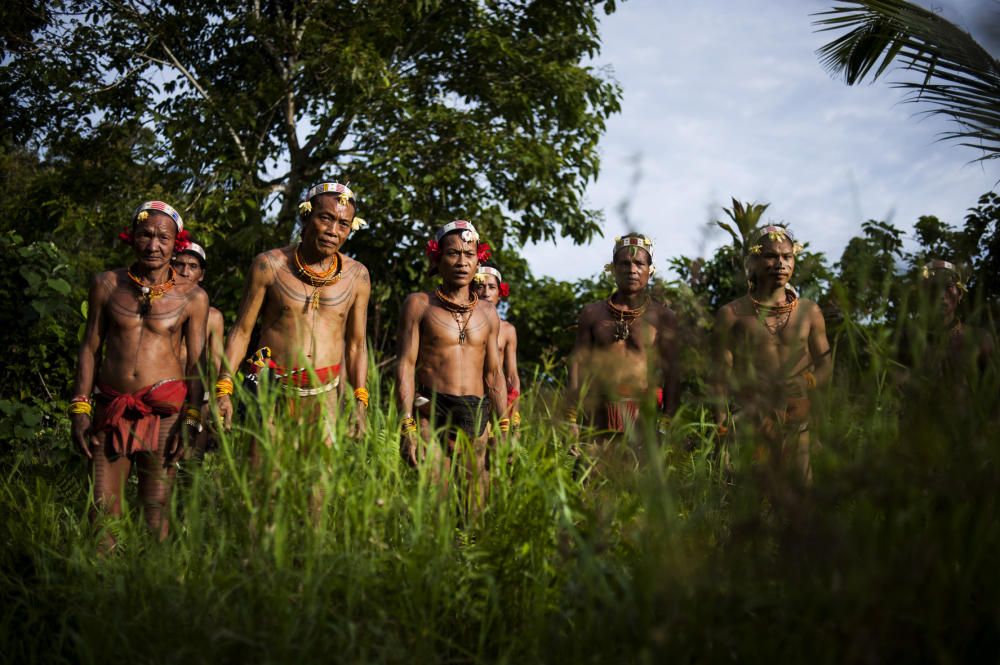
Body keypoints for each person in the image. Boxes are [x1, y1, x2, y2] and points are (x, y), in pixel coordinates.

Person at [69, 200, 209, 544]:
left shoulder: (193, 298)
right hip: (112, 407)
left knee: (157, 508)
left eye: (163, 237)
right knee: (102, 507)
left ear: (176, 243)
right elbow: (90, 347)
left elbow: (196, 364)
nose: (153, 245)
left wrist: (192, 420)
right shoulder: (106, 285)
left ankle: (155, 588)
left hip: (165, 414)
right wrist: (80, 408)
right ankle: (101, 587)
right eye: (145, 235)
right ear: (131, 237)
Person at [215, 182, 371, 450]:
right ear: (306, 216)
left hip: (326, 397)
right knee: (262, 483)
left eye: (343, 224)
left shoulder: (358, 276)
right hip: (269, 391)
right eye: (326, 218)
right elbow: (242, 331)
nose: (334, 231)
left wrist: (360, 401)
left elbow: (356, 344)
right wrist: (223, 389)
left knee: (319, 489)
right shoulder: (269, 266)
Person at [396, 220, 507, 514]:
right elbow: (406, 365)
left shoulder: (488, 313)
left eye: (469, 255)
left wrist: (503, 426)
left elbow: (494, 374)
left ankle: (470, 555)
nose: (462, 262)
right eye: (453, 253)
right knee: (434, 499)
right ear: (437, 258)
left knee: (474, 504)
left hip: (476, 410)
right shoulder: (419, 305)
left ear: (478, 260)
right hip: (430, 409)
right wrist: (406, 424)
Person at [712, 224, 832, 483]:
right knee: (754, 498)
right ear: (753, 261)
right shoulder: (731, 314)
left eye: (787, 256)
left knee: (802, 492)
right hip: (752, 416)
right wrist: (722, 430)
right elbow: (720, 379)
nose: (780, 263)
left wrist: (808, 381)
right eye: (771, 256)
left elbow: (825, 366)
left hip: (797, 416)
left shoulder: (810, 312)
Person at [567, 233, 680, 459]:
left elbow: (673, 374)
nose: (632, 269)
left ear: (650, 269)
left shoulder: (663, 317)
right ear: (613, 268)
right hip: (597, 418)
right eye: (625, 263)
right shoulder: (592, 314)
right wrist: (570, 419)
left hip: (643, 420)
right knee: (592, 487)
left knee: (638, 490)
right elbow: (577, 367)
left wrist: (665, 424)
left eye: (639, 263)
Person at [172, 241, 225, 457]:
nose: (185, 272)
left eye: (192, 266)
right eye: (179, 265)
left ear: (201, 274)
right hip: (164, 395)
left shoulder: (213, 317)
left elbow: (216, 364)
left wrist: (215, 408)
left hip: (198, 399)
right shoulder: (157, 309)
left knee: (190, 464)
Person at [472, 260, 521, 430]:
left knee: (497, 452)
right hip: (469, 396)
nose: (486, 292)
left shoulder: (508, 330)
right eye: (480, 286)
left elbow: (512, 375)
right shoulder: (460, 325)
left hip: (497, 401)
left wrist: (514, 414)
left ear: (500, 294)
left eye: (492, 287)